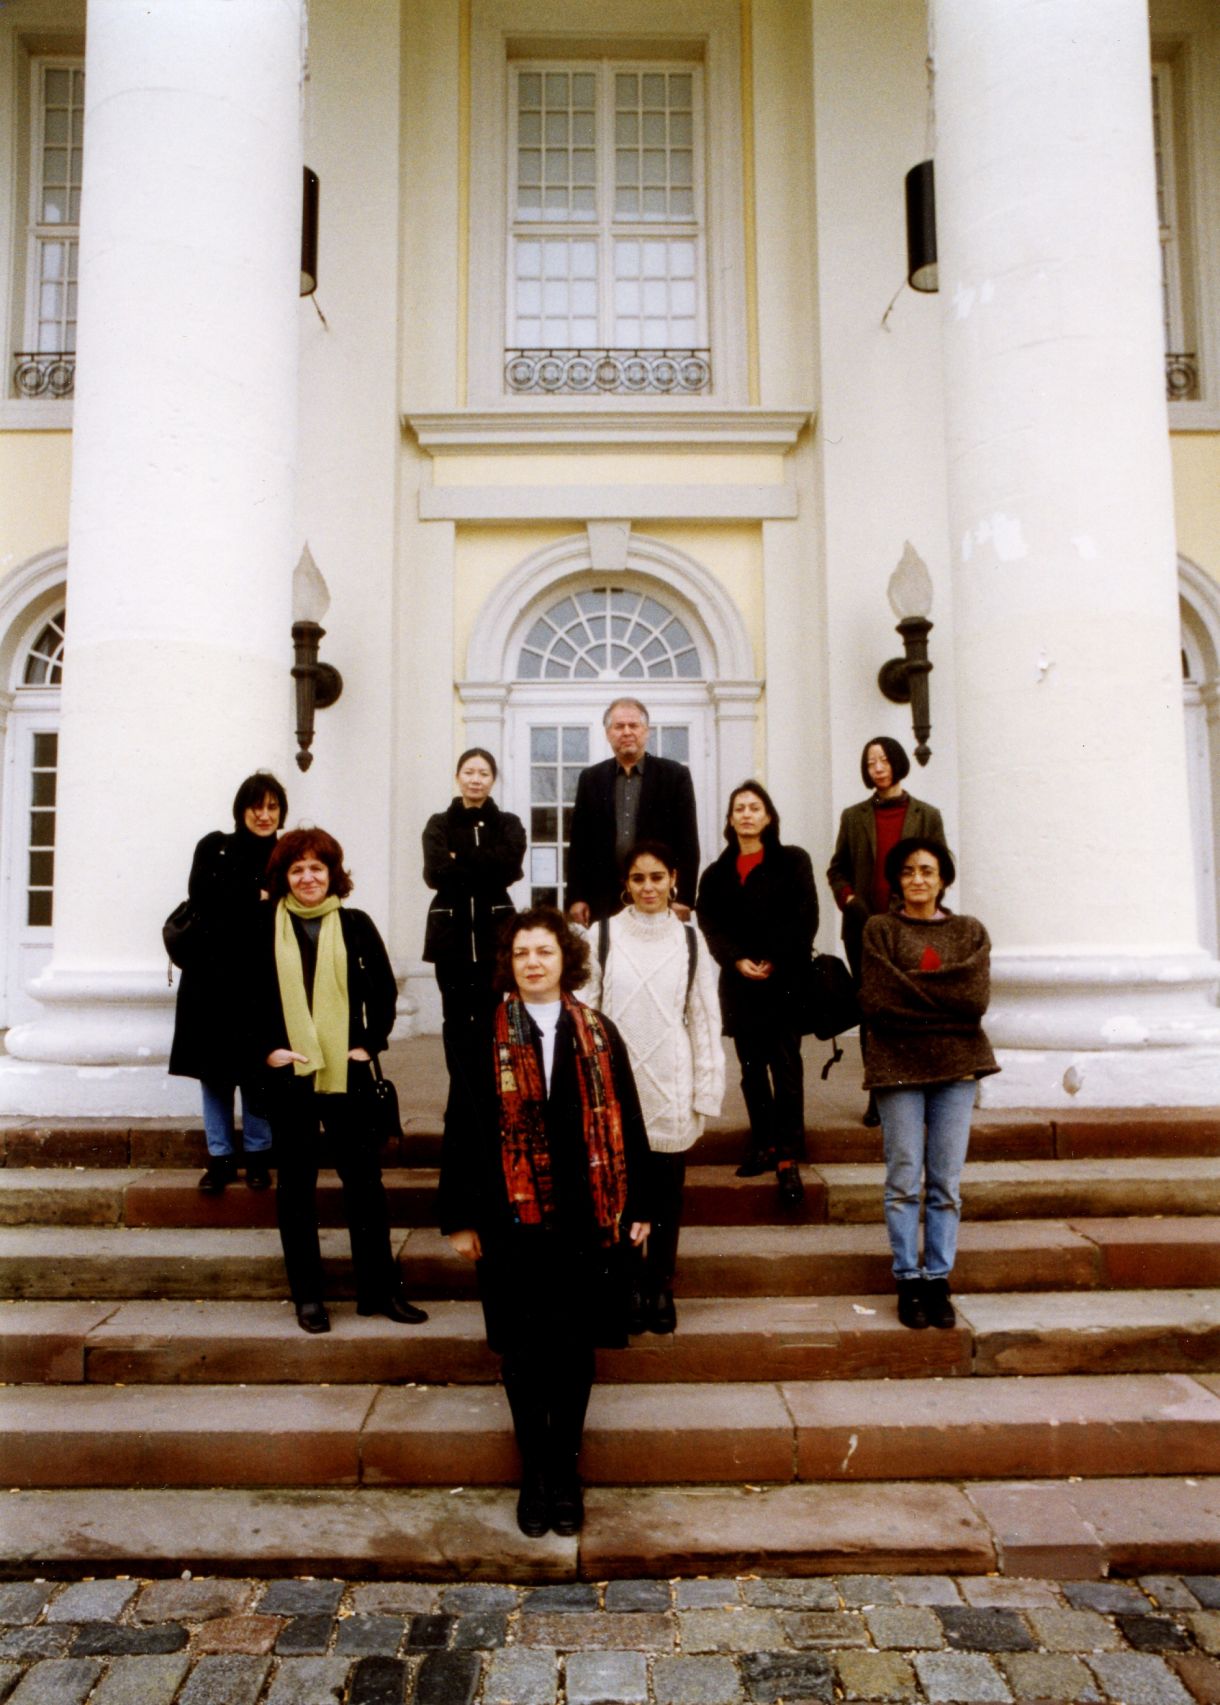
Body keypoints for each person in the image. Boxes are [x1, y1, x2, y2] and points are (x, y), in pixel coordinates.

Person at [439, 907, 652, 1538]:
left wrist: (638, 1204)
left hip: (587, 1222)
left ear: (566, 961)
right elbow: (462, 1128)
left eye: (546, 952)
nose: (534, 962)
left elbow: (630, 1123)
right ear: (510, 962)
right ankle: (534, 1473)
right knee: (525, 1353)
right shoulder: (484, 1032)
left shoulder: (598, 1031)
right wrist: (459, 1218)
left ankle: (566, 1472)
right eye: (523, 952)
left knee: (574, 1350)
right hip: (511, 1222)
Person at [249, 826, 428, 1336]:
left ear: (333, 874)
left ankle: (380, 1291)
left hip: (345, 1075)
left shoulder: (355, 925)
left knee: (364, 1183)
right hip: (290, 1076)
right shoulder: (263, 926)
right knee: (297, 1188)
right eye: (297, 868)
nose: (308, 877)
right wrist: (267, 1051)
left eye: (317, 868)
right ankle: (308, 1298)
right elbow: (242, 1001)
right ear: (284, 877)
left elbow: (385, 997)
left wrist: (368, 1043)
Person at [581, 840, 725, 1334]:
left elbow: (705, 1017)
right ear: (626, 883)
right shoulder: (600, 935)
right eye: (639, 878)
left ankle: (660, 1284)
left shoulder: (690, 939)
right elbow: (583, 1013)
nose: (648, 887)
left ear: (673, 879)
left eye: (657, 877)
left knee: (665, 1195)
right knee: (617, 1192)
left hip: (670, 1083)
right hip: (616, 1088)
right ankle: (629, 1284)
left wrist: (705, 1090)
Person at [859, 835, 997, 1331]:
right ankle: (908, 1281)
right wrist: (944, 1005)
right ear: (898, 880)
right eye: (909, 871)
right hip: (898, 1068)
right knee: (902, 1178)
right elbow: (878, 1000)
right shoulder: (880, 931)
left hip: (957, 1071)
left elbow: (974, 997)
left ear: (943, 879)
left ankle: (937, 1279)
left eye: (928, 871)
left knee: (945, 1183)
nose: (918, 879)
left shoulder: (969, 932)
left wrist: (914, 993)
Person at [695, 781, 818, 1208]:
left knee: (785, 1064)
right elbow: (709, 923)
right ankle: (762, 1142)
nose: (746, 814)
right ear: (730, 820)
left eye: (754, 807)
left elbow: (806, 917)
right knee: (751, 1068)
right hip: (740, 981)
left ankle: (787, 1154)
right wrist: (736, 959)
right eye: (739, 809)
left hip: (784, 979)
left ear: (768, 816)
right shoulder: (715, 874)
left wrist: (774, 959)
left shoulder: (793, 861)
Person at [168, 770, 288, 1195]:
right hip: (211, 980)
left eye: (273, 807)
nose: (264, 814)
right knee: (214, 1073)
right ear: (241, 809)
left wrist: (239, 899)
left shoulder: (285, 854)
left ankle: (258, 1157)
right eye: (257, 806)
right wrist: (253, 898)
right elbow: (202, 896)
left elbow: (287, 903)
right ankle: (219, 1158)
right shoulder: (215, 846)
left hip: (262, 980)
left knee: (259, 1070)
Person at [826, 736, 946, 1125]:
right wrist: (849, 900)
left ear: (896, 762)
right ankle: (878, 1094)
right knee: (872, 1012)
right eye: (870, 762)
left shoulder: (926, 815)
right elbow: (837, 869)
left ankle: (913, 1093)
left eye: (883, 760)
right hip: (864, 929)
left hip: (911, 927)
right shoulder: (853, 816)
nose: (877, 767)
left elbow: (939, 868)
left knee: (911, 1010)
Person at [422, 747, 526, 1080]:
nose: (475, 780)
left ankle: (491, 1091)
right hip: (449, 937)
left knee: (492, 1017)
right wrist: (483, 860)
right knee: (454, 1018)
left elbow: (509, 868)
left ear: (493, 780)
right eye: (469, 772)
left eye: (483, 773)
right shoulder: (438, 823)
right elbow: (435, 872)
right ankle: (460, 1096)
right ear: (457, 777)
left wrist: (459, 856)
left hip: (493, 935)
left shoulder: (508, 823)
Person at [566, 697, 699, 926]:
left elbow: (687, 841)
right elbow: (580, 845)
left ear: (646, 731)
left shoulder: (675, 776)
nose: (626, 732)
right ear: (608, 734)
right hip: (603, 897)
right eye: (619, 726)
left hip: (656, 894)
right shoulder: (591, 779)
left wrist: (684, 896)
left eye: (633, 725)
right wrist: (576, 897)